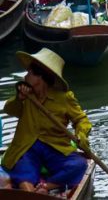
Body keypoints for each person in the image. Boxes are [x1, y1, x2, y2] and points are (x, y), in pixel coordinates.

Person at [3, 49, 91, 194]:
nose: (26, 76)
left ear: (40, 77)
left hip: (54, 147)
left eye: (30, 72)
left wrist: (81, 135)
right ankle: (29, 191)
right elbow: (9, 110)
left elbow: (82, 120)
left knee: (79, 165)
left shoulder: (64, 98)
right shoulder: (26, 96)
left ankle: (45, 187)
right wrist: (19, 98)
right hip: (28, 146)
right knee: (22, 165)